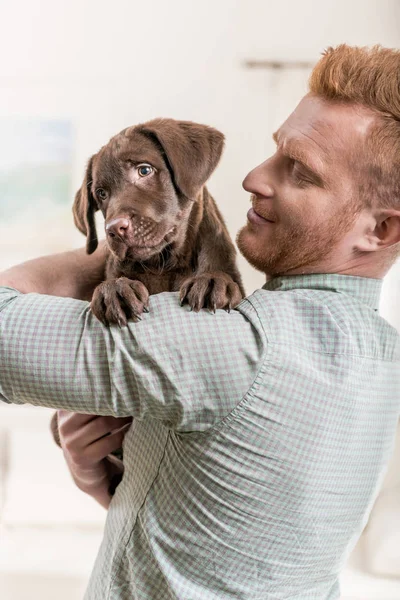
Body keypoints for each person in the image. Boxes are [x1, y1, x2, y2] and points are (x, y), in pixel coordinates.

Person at [0, 43, 400, 600]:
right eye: (274, 152)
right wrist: (98, 477)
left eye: (300, 170)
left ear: (380, 231)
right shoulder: (386, 358)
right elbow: (214, 528)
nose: (253, 178)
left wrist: (98, 262)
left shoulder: (229, 342)